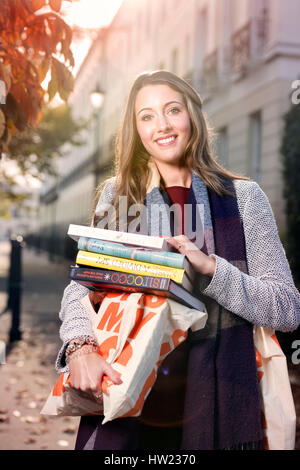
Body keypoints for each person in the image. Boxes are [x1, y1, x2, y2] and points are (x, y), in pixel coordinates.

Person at [55, 70, 300, 450]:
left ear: (193, 117)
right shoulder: (118, 196)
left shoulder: (245, 198)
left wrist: (212, 269)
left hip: (221, 404)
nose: (162, 125)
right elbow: (81, 288)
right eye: (147, 116)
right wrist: (80, 348)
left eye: (173, 110)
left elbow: (287, 309)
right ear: (135, 130)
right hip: (127, 396)